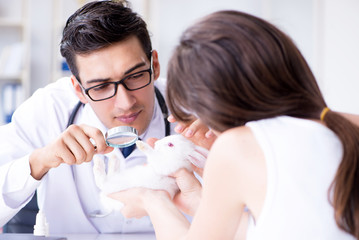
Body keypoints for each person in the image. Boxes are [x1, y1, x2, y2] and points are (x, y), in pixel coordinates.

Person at [109, 10, 359, 240]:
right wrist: (198, 197)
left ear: (217, 106)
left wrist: (153, 200)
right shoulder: (348, 124)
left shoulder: (237, 146)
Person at [0, 0, 214, 234]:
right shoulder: (48, 109)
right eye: (101, 87)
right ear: (79, 90)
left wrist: (222, 152)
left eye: (135, 76)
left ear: (154, 65)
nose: (126, 103)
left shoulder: (197, 108)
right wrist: (39, 162)